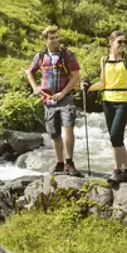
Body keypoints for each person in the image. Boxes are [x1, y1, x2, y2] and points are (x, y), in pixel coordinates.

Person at [83, 30, 127, 184]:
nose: (123, 44)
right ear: (111, 42)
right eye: (120, 42)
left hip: (124, 101)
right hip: (107, 101)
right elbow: (102, 83)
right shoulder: (104, 59)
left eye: (124, 41)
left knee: (115, 136)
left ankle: (117, 170)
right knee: (117, 138)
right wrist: (88, 87)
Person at [27, 26, 83, 176]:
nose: (55, 40)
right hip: (48, 100)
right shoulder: (40, 56)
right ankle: (59, 163)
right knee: (54, 134)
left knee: (68, 128)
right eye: (52, 38)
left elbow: (76, 76)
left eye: (57, 37)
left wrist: (63, 93)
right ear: (45, 40)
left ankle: (69, 163)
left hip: (65, 98)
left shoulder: (67, 54)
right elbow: (30, 72)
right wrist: (35, 87)